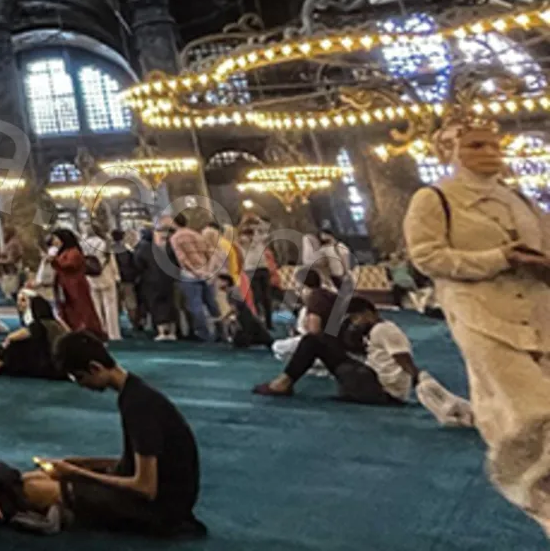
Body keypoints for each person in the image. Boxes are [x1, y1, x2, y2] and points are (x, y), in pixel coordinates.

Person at [405, 117, 550, 536]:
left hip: (539, 313)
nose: (489, 153)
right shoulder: (434, 199)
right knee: (528, 411)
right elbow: (427, 256)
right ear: (448, 151)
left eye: (493, 144)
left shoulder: (520, 199)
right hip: (481, 315)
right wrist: (500, 258)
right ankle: (535, 495)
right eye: (475, 145)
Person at [25, 331, 206, 537]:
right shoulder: (135, 392)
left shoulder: (138, 405)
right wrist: (82, 463)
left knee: (33, 489)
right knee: (37, 477)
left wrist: (77, 473)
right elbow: (139, 463)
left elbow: (145, 487)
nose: (81, 385)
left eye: (79, 377)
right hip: (167, 500)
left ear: (95, 368)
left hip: (159, 512)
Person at [253, 298, 420, 404]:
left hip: (382, 392)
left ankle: (283, 383)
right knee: (317, 341)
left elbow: (402, 357)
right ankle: (285, 381)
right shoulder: (375, 330)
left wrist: (418, 379)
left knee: (312, 341)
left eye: (356, 318)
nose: (354, 323)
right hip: (379, 386)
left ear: (368, 314)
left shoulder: (385, 330)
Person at [0, 297, 67, 379]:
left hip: (46, 366)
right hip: (56, 365)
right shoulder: (58, 324)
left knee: (16, 344)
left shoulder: (39, 325)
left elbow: (12, 337)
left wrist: (6, 343)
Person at [168, 213, 216, 343]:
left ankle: (203, 333)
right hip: (206, 272)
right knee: (212, 304)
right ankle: (222, 331)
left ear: (174, 223)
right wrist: (208, 270)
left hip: (190, 275)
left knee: (195, 305)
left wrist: (195, 271)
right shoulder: (197, 235)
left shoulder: (175, 238)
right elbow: (210, 253)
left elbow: (182, 259)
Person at [49, 228, 103, 335]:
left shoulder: (73, 252)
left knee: (81, 310)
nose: (54, 241)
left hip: (75, 286)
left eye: (56, 238)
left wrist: (55, 261)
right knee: (68, 310)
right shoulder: (63, 251)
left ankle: (90, 332)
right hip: (65, 286)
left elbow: (70, 266)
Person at [136, 224, 179, 342]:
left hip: (151, 281)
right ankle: (172, 332)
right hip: (168, 279)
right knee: (169, 304)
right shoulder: (163, 247)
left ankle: (162, 331)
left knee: (156, 305)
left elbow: (138, 264)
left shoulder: (142, 248)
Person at [83, 228, 122, 341]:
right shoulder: (105, 244)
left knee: (96, 307)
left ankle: (100, 331)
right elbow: (112, 261)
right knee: (110, 306)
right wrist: (117, 276)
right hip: (107, 276)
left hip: (91, 278)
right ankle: (113, 333)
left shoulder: (83, 245)